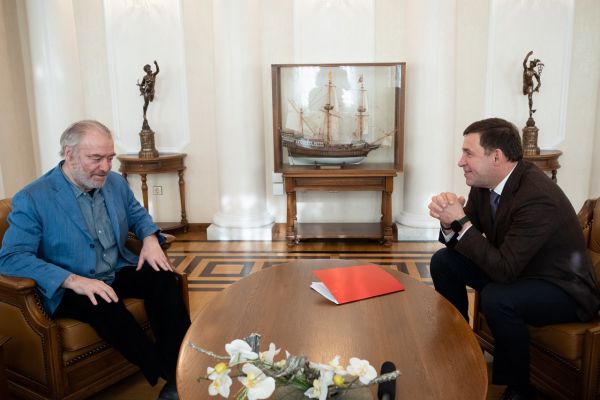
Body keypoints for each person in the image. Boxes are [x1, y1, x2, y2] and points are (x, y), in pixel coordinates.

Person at [0, 120, 190, 400]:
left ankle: (182, 367)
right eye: (96, 158)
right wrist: (73, 280)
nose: (105, 167)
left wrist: (150, 238)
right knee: (105, 304)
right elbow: (11, 257)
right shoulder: (33, 198)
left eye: (110, 158)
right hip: (70, 284)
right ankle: (168, 374)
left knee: (163, 279)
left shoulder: (115, 182)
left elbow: (137, 214)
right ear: (69, 154)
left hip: (114, 268)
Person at [428, 117, 599, 400]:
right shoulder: (483, 184)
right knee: (444, 262)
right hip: (518, 269)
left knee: (497, 297)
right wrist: (449, 223)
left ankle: (519, 389)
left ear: (496, 156)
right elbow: (469, 239)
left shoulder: (537, 195)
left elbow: (503, 270)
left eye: (468, 153)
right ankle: (460, 346)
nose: (461, 162)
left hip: (563, 289)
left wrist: (462, 223)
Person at [137, 60, 160, 127]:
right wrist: (141, 88)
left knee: (151, 100)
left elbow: (158, 71)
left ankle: (151, 97)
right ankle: (144, 115)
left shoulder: (153, 75)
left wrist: (156, 64)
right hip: (146, 91)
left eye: (149, 68)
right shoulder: (145, 77)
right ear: (146, 70)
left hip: (152, 92)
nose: (149, 69)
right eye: (147, 68)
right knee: (146, 104)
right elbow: (142, 84)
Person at [522, 51, 543, 118]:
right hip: (525, 85)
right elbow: (524, 62)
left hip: (530, 85)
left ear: (533, 65)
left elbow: (538, 80)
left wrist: (538, 86)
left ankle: (530, 113)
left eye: (531, 63)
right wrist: (528, 55)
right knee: (525, 93)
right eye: (530, 63)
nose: (530, 64)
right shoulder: (526, 69)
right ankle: (530, 111)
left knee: (530, 98)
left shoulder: (534, 72)